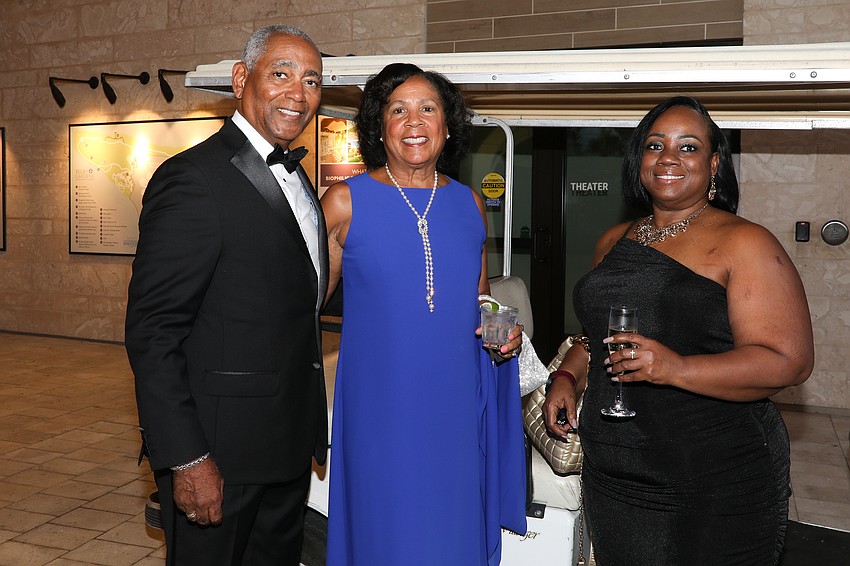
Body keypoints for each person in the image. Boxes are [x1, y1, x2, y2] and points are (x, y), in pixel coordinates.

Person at [543, 96, 814, 565]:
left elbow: (789, 360)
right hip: (617, 467)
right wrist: (569, 374)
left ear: (713, 165)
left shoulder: (744, 242)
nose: (668, 158)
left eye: (688, 147)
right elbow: (601, 334)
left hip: (711, 474)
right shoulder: (615, 239)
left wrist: (676, 367)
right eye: (655, 145)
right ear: (639, 160)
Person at [125, 25, 328, 566]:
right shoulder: (192, 178)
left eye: (312, 80)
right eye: (280, 73)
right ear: (242, 80)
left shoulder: (297, 177)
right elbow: (153, 332)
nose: (297, 92)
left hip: (286, 449)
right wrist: (188, 459)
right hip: (219, 457)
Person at [321, 62, 526, 565]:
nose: (414, 122)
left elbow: (480, 298)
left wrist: (503, 331)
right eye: (399, 110)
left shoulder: (469, 203)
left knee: (449, 527)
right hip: (379, 409)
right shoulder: (344, 201)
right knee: (386, 527)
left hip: (454, 403)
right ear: (379, 127)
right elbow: (298, 305)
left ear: (447, 125)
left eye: (427, 109)